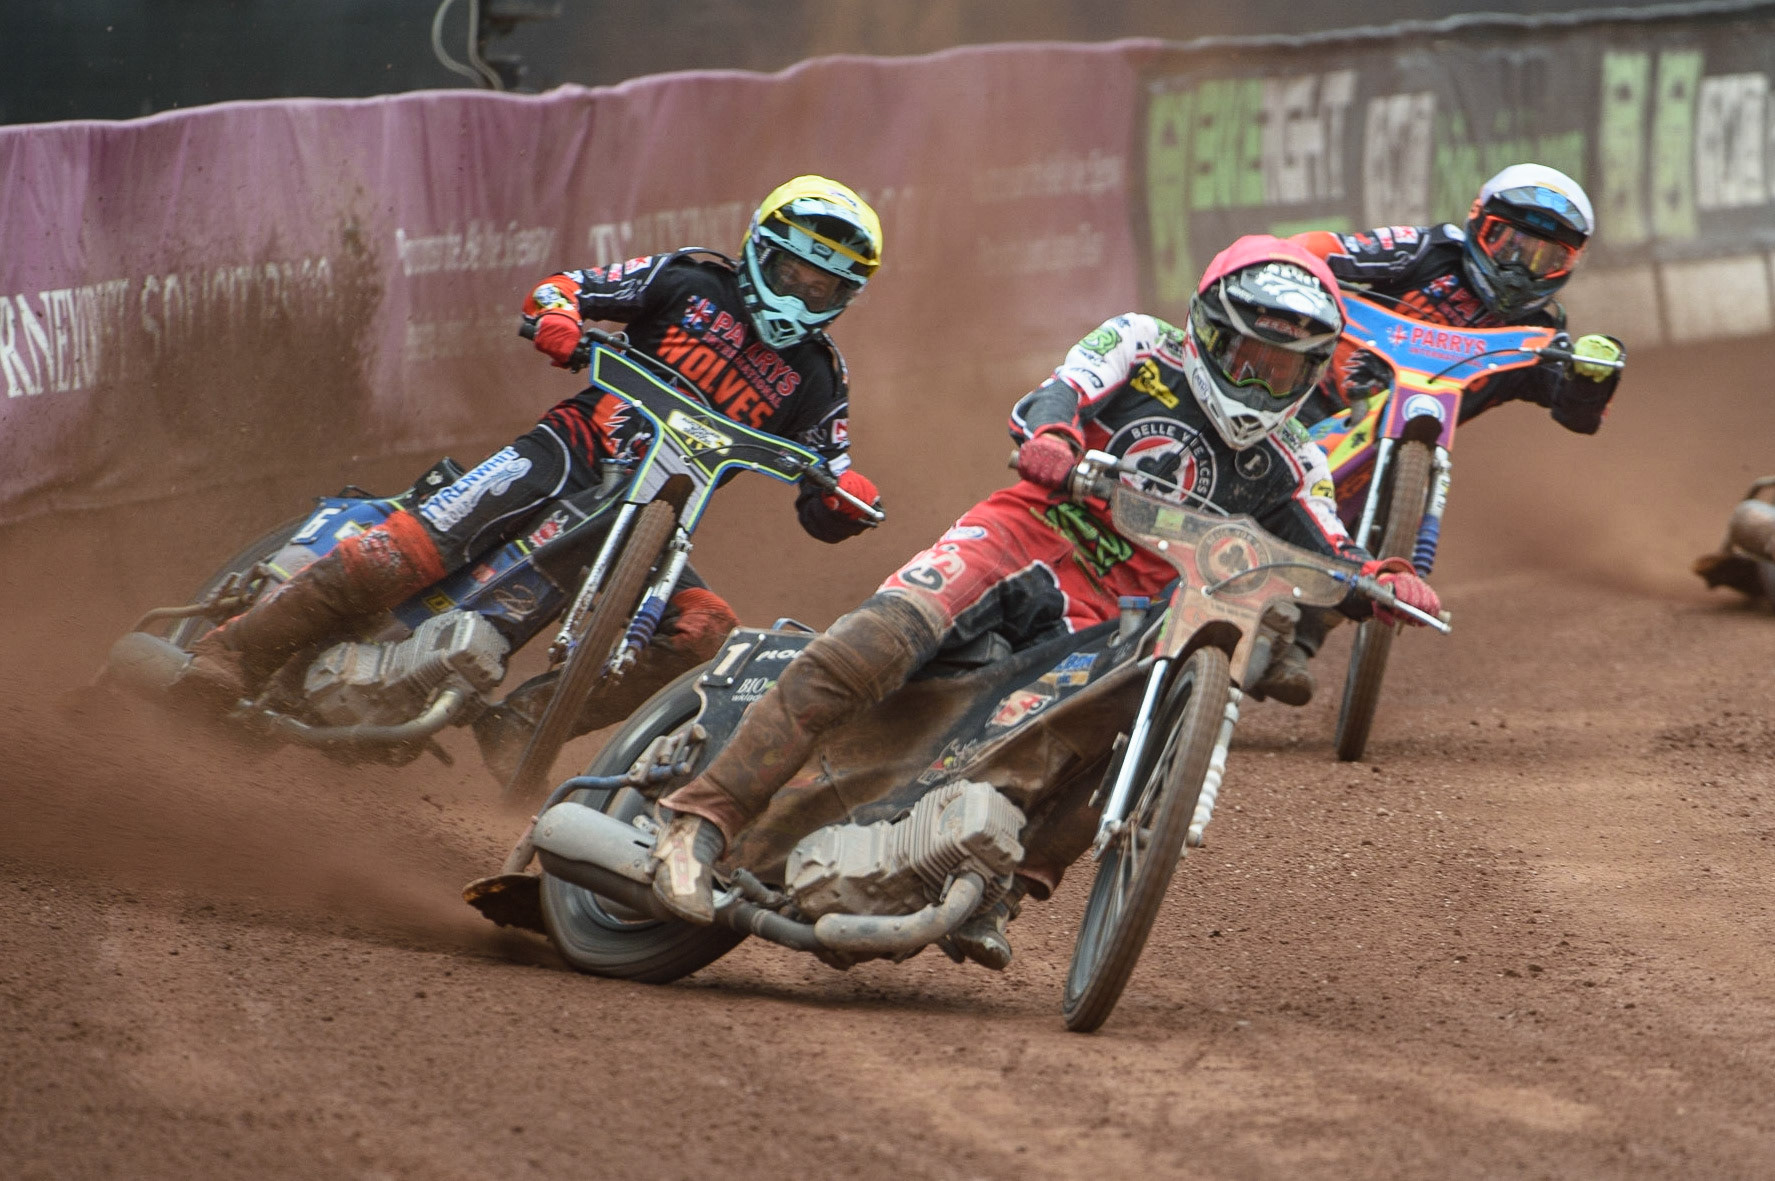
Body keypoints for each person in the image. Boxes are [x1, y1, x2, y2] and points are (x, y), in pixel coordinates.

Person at [644, 234, 1445, 969]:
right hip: (1024, 533)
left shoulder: (1293, 454)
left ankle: (1001, 883)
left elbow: (1329, 549)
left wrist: (1381, 581)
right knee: (872, 645)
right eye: (1248, 356)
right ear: (1206, 328)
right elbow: (1060, 392)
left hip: (1116, 612)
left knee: (1095, 735)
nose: (1261, 380)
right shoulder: (1142, 343)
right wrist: (1057, 437)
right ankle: (700, 819)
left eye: (1285, 370)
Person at [173, 175, 886, 782]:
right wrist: (559, 319)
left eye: (824, 284)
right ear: (763, 251)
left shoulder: (818, 377)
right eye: (795, 271)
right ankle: (233, 649)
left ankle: (524, 722)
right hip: (566, 453)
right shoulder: (690, 282)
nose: (803, 291)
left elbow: (827, 477)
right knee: (407, 552)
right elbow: (566, 287)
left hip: (649, 523)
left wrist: (845, 501)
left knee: (708, 630)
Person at [1247, 162, 1628, 706]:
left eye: (1545, 256)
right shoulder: (1425, 252)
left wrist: (1592, 376)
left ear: (1569, 264)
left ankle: (1297, 642)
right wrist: (1290, 262)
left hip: (1400, 453)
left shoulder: (1539, 334)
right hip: (1304, 404)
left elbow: (1576, 413)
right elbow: (1323, 247)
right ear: (1479, 225)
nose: (1521, 268)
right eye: (1510, 244)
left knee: (1390, 515)